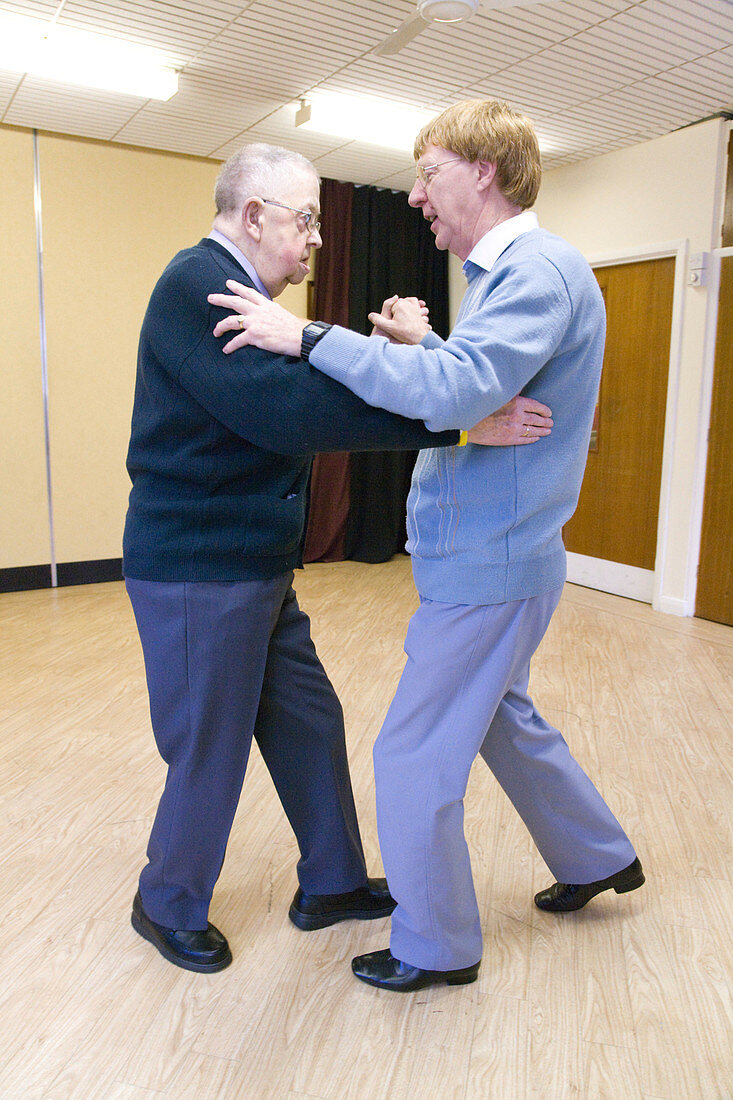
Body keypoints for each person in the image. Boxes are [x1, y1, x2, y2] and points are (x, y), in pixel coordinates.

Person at [208, 100, 644, 993]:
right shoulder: (512, 274)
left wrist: (311, 336)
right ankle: (597, 853)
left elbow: (451, 400)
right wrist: (428, 346)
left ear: (483, 172)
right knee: (498, 719)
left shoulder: (532, 272)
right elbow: (471, 388)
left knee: (410, 754)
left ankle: (436, 944)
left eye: (429, 171)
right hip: (497, 558)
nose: (415, 195)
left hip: (491, 564)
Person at [123, 141, 549, 974]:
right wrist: (451, 417)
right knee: (209, 742)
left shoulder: (247, 295)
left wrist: (413, 371)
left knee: (310, 721)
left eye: (320, 219)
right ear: (253, 216)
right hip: (198, 567)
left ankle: (332, 882)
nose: (316, 237)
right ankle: (165, 899)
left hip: (255, 565)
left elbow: (312, 385)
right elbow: (291, 414)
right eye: (305, 218)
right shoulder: (197, 286)